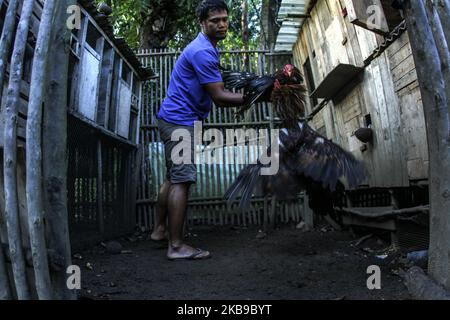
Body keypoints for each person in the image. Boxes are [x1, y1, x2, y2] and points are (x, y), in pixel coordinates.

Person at [150, 0, 246, 260]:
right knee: (182, 180)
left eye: (225, 19)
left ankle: (160, 231)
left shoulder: (206, 48)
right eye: (215, 21)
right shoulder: (202, 51)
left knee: (172, 178)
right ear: (202, 23)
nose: (222, 24)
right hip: (180, 122)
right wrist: (257, 96)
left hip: (172, 119)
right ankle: (177, 246)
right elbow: (219, 96)